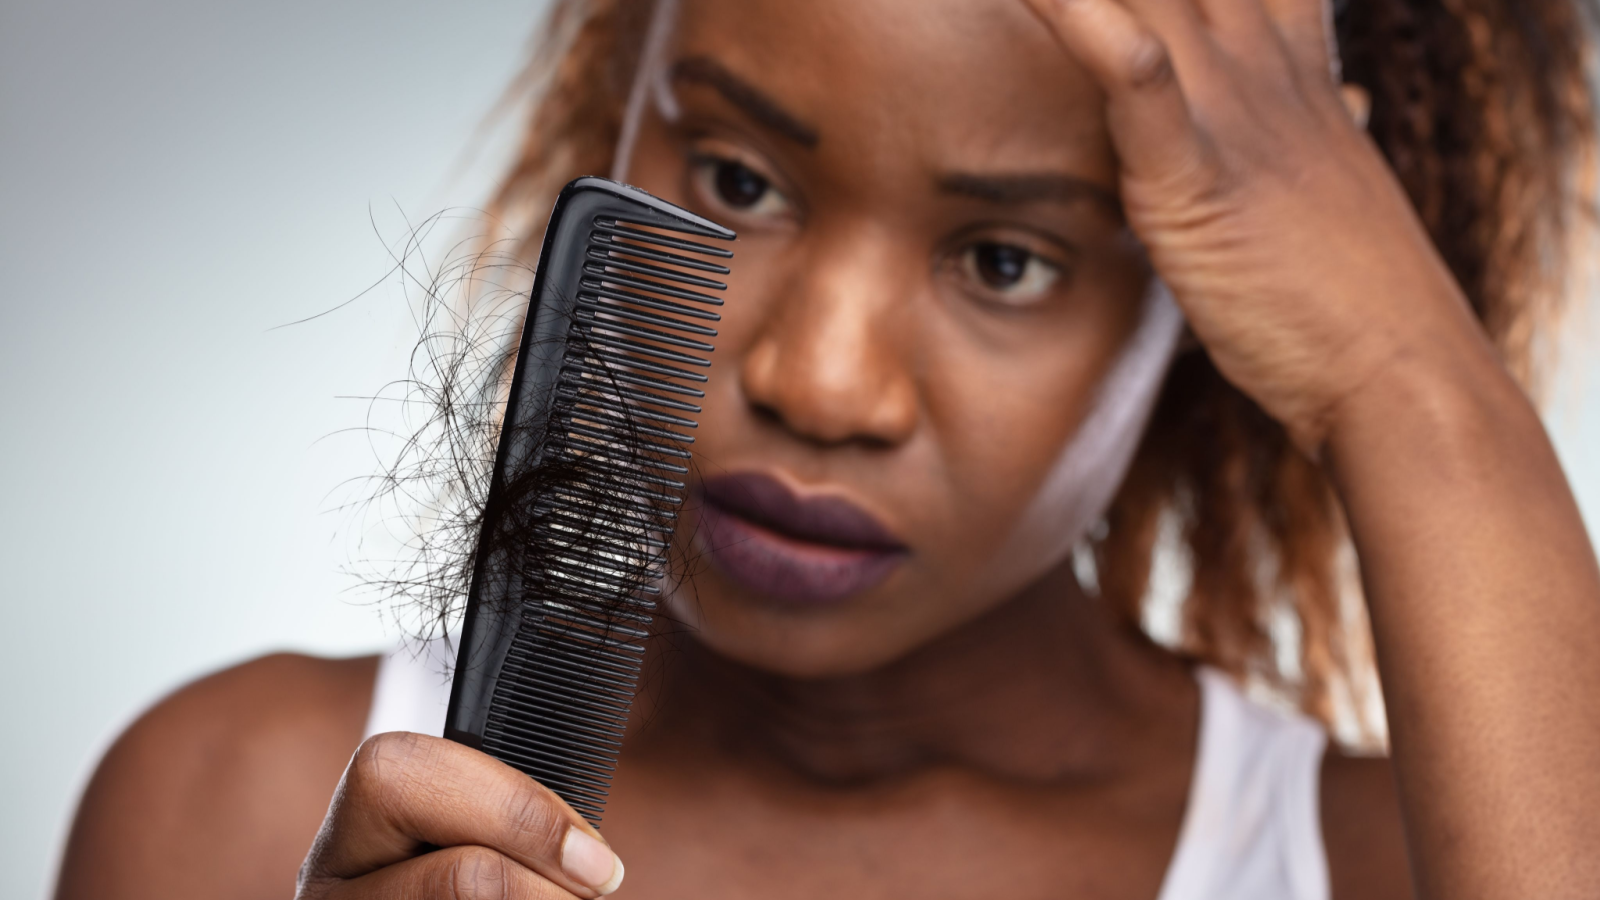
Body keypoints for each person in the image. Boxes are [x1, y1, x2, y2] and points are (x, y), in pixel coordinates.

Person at [53, 0, 1600, 897]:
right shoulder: (229, 811)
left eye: (1008, 260)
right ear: (619, 111)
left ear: (1229, 292)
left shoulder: (1383, 865)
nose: (817, 379)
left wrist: (1405, 378)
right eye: (734, 173)